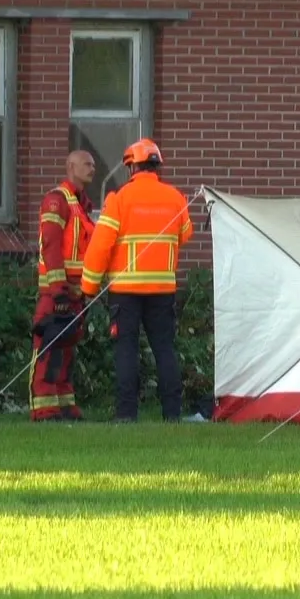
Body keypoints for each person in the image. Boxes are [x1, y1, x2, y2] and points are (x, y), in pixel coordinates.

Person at [80, 138, 195, 423]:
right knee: (164, 348)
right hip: (163, 289)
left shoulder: (119, 199)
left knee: (126, 349)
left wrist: (88, 287)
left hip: (125, 291)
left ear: (132, 167)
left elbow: (100, 247)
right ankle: (172, 414)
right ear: (157, 166)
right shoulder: (176, 198)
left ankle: (126, 414)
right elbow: (185, 234)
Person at [29, 151, 97, 422]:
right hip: (57, 292)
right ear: (70, 166)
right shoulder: (57, 200)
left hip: (76, 293)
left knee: (67, 350)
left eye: (93, 164)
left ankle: (65, 404)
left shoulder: (82, 206)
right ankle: (44, 408)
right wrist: (58, 289)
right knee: (48, 348)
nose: (92, 168)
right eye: (87, 164)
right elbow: (51, 246)